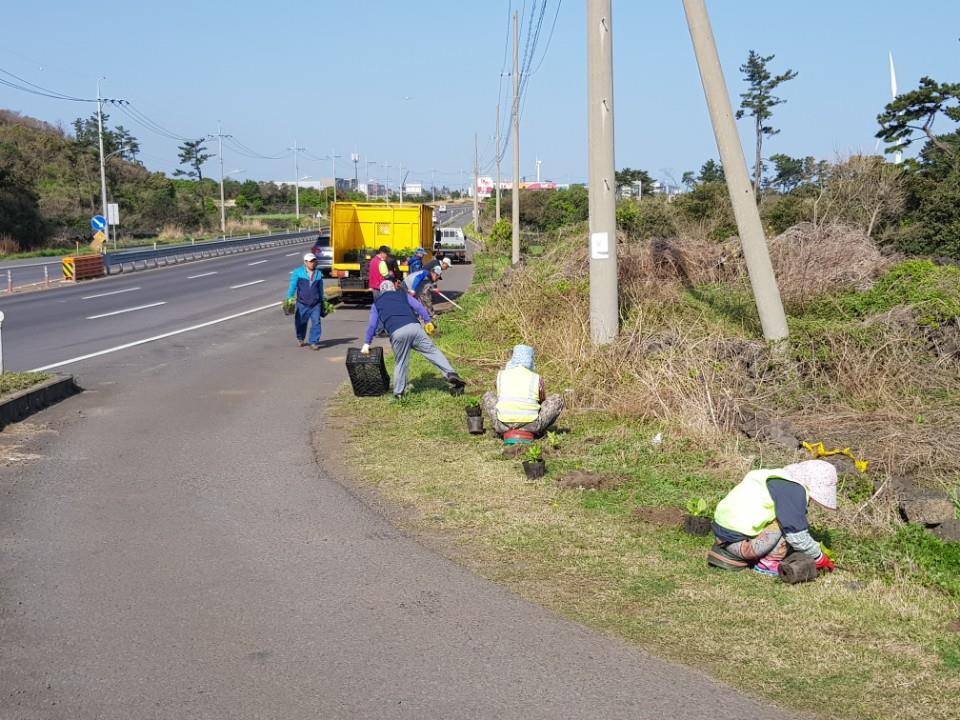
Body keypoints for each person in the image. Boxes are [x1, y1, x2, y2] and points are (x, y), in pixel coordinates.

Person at [707, 459, 838, 576]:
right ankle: (769, 563)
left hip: (721, 532)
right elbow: (797, 537)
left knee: (783, 517)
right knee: (786, 524)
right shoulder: (793, 491)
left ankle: (728, 550)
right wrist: (819, 557)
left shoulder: (775, 478)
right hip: (742, 544)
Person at [361, 280, 465, 399]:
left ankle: (399, 393)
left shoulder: (377, 304)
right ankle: (450, 373)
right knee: (432, 351)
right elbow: (418, 306)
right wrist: (427, 322)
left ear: (381, 291)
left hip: (397, 333)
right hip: (415, 329)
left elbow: (372, 325)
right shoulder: (403, 295)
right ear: (393, 288)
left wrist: (366, 343)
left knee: (401, 362)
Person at [482, 344, 564, 438]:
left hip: (503, 425)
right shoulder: (537, 378)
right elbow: (542, 400)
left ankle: (499, 430)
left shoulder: (501, 375)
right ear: (530, 359)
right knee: (558, 399)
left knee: (488, 396)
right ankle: (539, 431)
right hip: (531, 425)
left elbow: (500, 396)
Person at [287, 252, 325, 349]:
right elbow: (292, 286)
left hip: (315, 304)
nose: (312, 263)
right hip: (302, 303)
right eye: (310, 261)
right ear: (305, 262)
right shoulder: (298, 272)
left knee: (316, 323)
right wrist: (289, 298)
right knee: (300, 323)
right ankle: (300, 338)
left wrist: (322, 300)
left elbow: (320, 289)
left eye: (314, 261)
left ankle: (313, 342)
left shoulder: (318, 274)